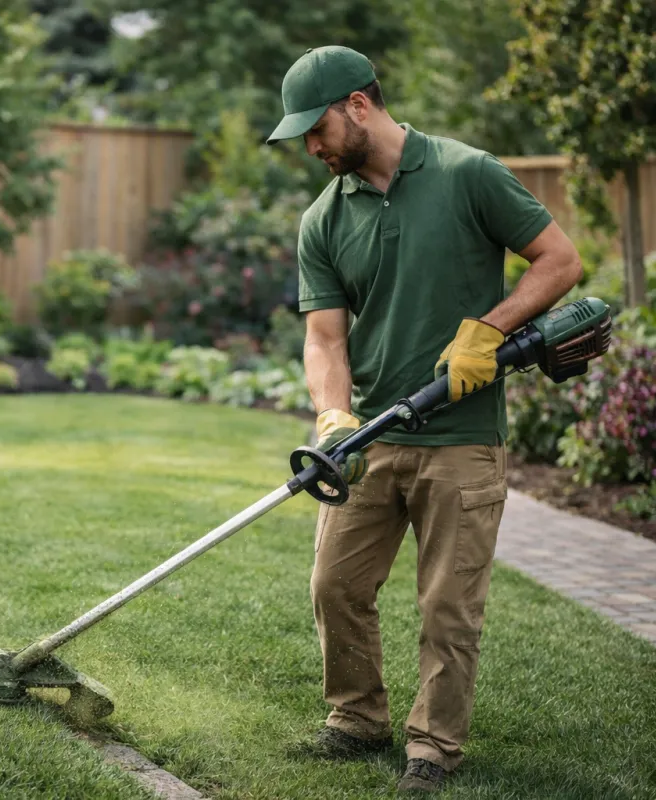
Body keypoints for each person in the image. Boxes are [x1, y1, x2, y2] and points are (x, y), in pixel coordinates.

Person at [265, 47, 583, 793]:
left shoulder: (465, 173)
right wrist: (333, 414)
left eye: (316, 129)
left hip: (461, 440)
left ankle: (433, 748)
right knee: (334, 586)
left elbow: (559, 262)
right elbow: (324, 337)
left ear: (358, 104)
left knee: (448, 605)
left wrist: (488, 332)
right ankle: (355, 718)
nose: (311, 147)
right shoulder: (323, 219)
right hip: (370, 442)